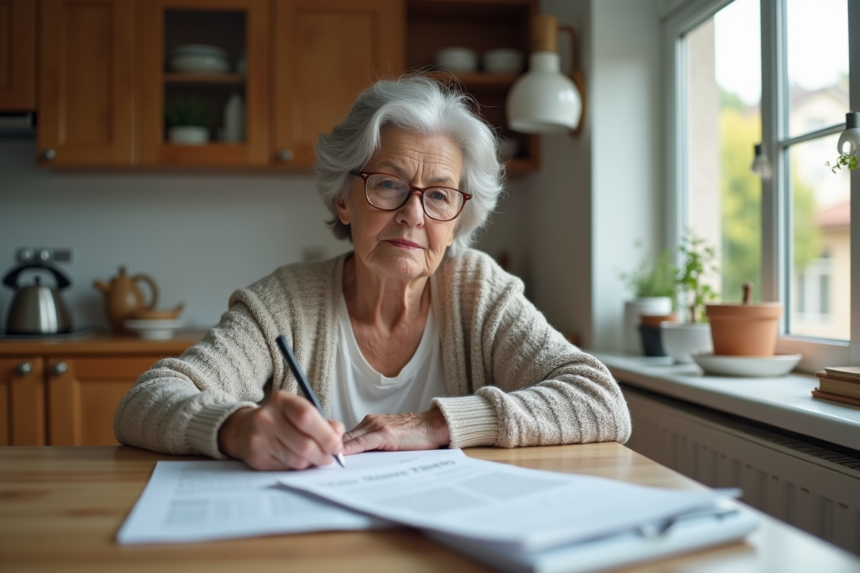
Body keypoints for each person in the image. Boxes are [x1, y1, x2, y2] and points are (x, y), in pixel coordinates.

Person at [114, 75, 631, 470]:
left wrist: (436, 423)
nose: (413, 213)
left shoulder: (478, 292)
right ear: (344, 200)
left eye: (440, 196)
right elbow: (145, 401)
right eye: (388, 184)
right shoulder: (283, 304)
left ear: (457, 222)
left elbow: (601, 401)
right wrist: (234, 426)